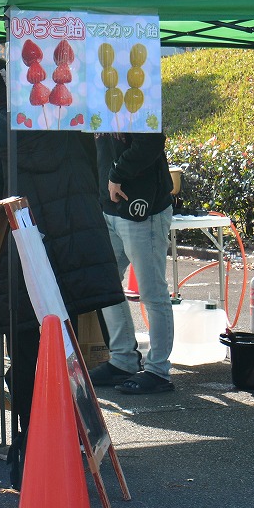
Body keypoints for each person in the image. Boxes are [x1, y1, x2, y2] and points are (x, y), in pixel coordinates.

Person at [0, 57, 123, 484]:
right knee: (63, 358)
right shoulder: (64, 122)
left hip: (24, 272)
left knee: (29, 358)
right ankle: (71, 448)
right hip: (76, 264)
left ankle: (34, 456)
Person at [90, 132, 176, 394]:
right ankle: (123, 359)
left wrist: (117, 174)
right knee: (105, 286)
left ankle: (158, 370)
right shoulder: (95, 95)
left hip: (144, 206)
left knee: (152, 293)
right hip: (109, 207)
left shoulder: (138, 93)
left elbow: (150, 142)